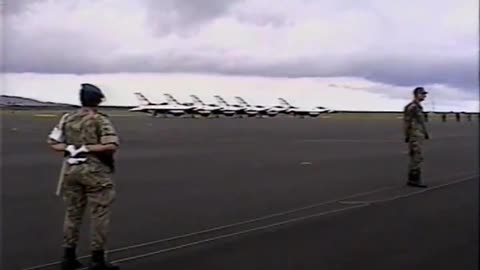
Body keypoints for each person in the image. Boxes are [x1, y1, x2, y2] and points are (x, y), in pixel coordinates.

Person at [47, 83, 120, 270]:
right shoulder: (100, 119)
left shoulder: (67, 118)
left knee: (73, 214)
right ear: (98, 100)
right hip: (96, 172)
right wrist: (87, 148)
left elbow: (53, 142)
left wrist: (70, 148)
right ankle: (97, 259)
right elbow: (110, 145)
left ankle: (68, 256)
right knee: (99, 215)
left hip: (71, 170)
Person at [403, 87, 430, 188]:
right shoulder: (412, 107)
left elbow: (421, 122)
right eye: (422, 94)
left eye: (424, 94)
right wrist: (407, 135)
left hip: (419, 134)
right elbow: (407, 122)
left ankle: (413, 179)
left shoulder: (418, 107)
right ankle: (414, 180)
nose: (424, 96)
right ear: (416, 94)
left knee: (417, 156)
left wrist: (425, 133)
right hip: (414, 135)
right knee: (416, 156)